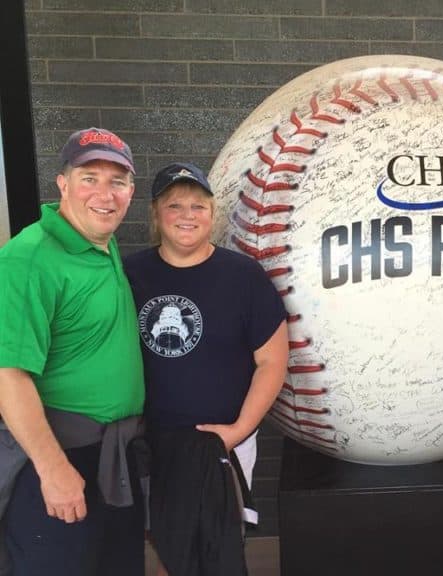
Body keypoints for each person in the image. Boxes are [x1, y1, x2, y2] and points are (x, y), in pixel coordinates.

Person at [123, 162, 288, 575]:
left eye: (198, 206)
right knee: (164, 551)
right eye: (174, 205)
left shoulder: (242, 276)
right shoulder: (130, 275)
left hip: (224, 441)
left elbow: (272, 361)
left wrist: (238, 430)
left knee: (222, 548)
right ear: (156, 215)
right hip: (154, 442)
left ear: (212, 215)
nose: (187, 215)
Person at [0, 127, 145, 575]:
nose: (105, 193)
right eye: (89, 177)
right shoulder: (30, 258)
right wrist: (53, 470)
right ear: (62, 183)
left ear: (131, 191)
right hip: (56, 458)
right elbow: (9, 375)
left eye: (117, 181)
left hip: (111, 456)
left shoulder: (101, 242)